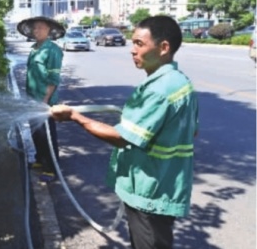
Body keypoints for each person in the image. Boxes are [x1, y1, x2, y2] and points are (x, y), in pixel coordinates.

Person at [50, 15, 199, 248]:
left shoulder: (160, 89)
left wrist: (74, 116)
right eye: (133, 43)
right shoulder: (180, 83)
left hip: (149, 190)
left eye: (139, 43)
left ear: (164, 48)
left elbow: (121, 138)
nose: (132, 50)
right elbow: (192, 133)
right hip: (164, 186)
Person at [17, 16, 65, 183]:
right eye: (34, 28)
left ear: (49, 31)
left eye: (41, 28)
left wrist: (44, 101)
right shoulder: (34, 49)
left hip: (45, 101)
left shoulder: (53, 50)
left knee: (47, 136)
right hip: (32, 99)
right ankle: (39, 159)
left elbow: (53, 79)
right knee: (35, 132)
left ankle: (51, 168)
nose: (36, 31)